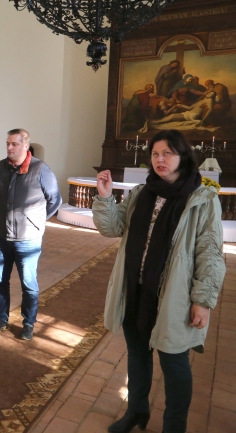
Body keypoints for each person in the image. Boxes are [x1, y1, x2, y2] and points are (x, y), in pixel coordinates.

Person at [93, 129, 225, 433]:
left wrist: (202, 300)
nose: (159, 159)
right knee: (138, 356)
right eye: (155, 154)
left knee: (174, 364)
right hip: (136, 290)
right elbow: (112, 228)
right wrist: (105, 197)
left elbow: (210, 254)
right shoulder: (142, 193)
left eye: (167, 153)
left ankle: (173, 427)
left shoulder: (202, 199)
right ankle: (137, 411)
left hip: (174, 296)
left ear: (183, 157)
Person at [0, 128, 61, 339]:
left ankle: (28, 323)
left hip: (28, 239)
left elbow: (55, 200)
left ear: (25, 146)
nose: (9, 147)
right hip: (2, 235)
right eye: (7, 143)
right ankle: (1, 318)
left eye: (14, 144)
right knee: (0, 281)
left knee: (28, 284)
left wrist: (34, 221)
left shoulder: (41, 170)